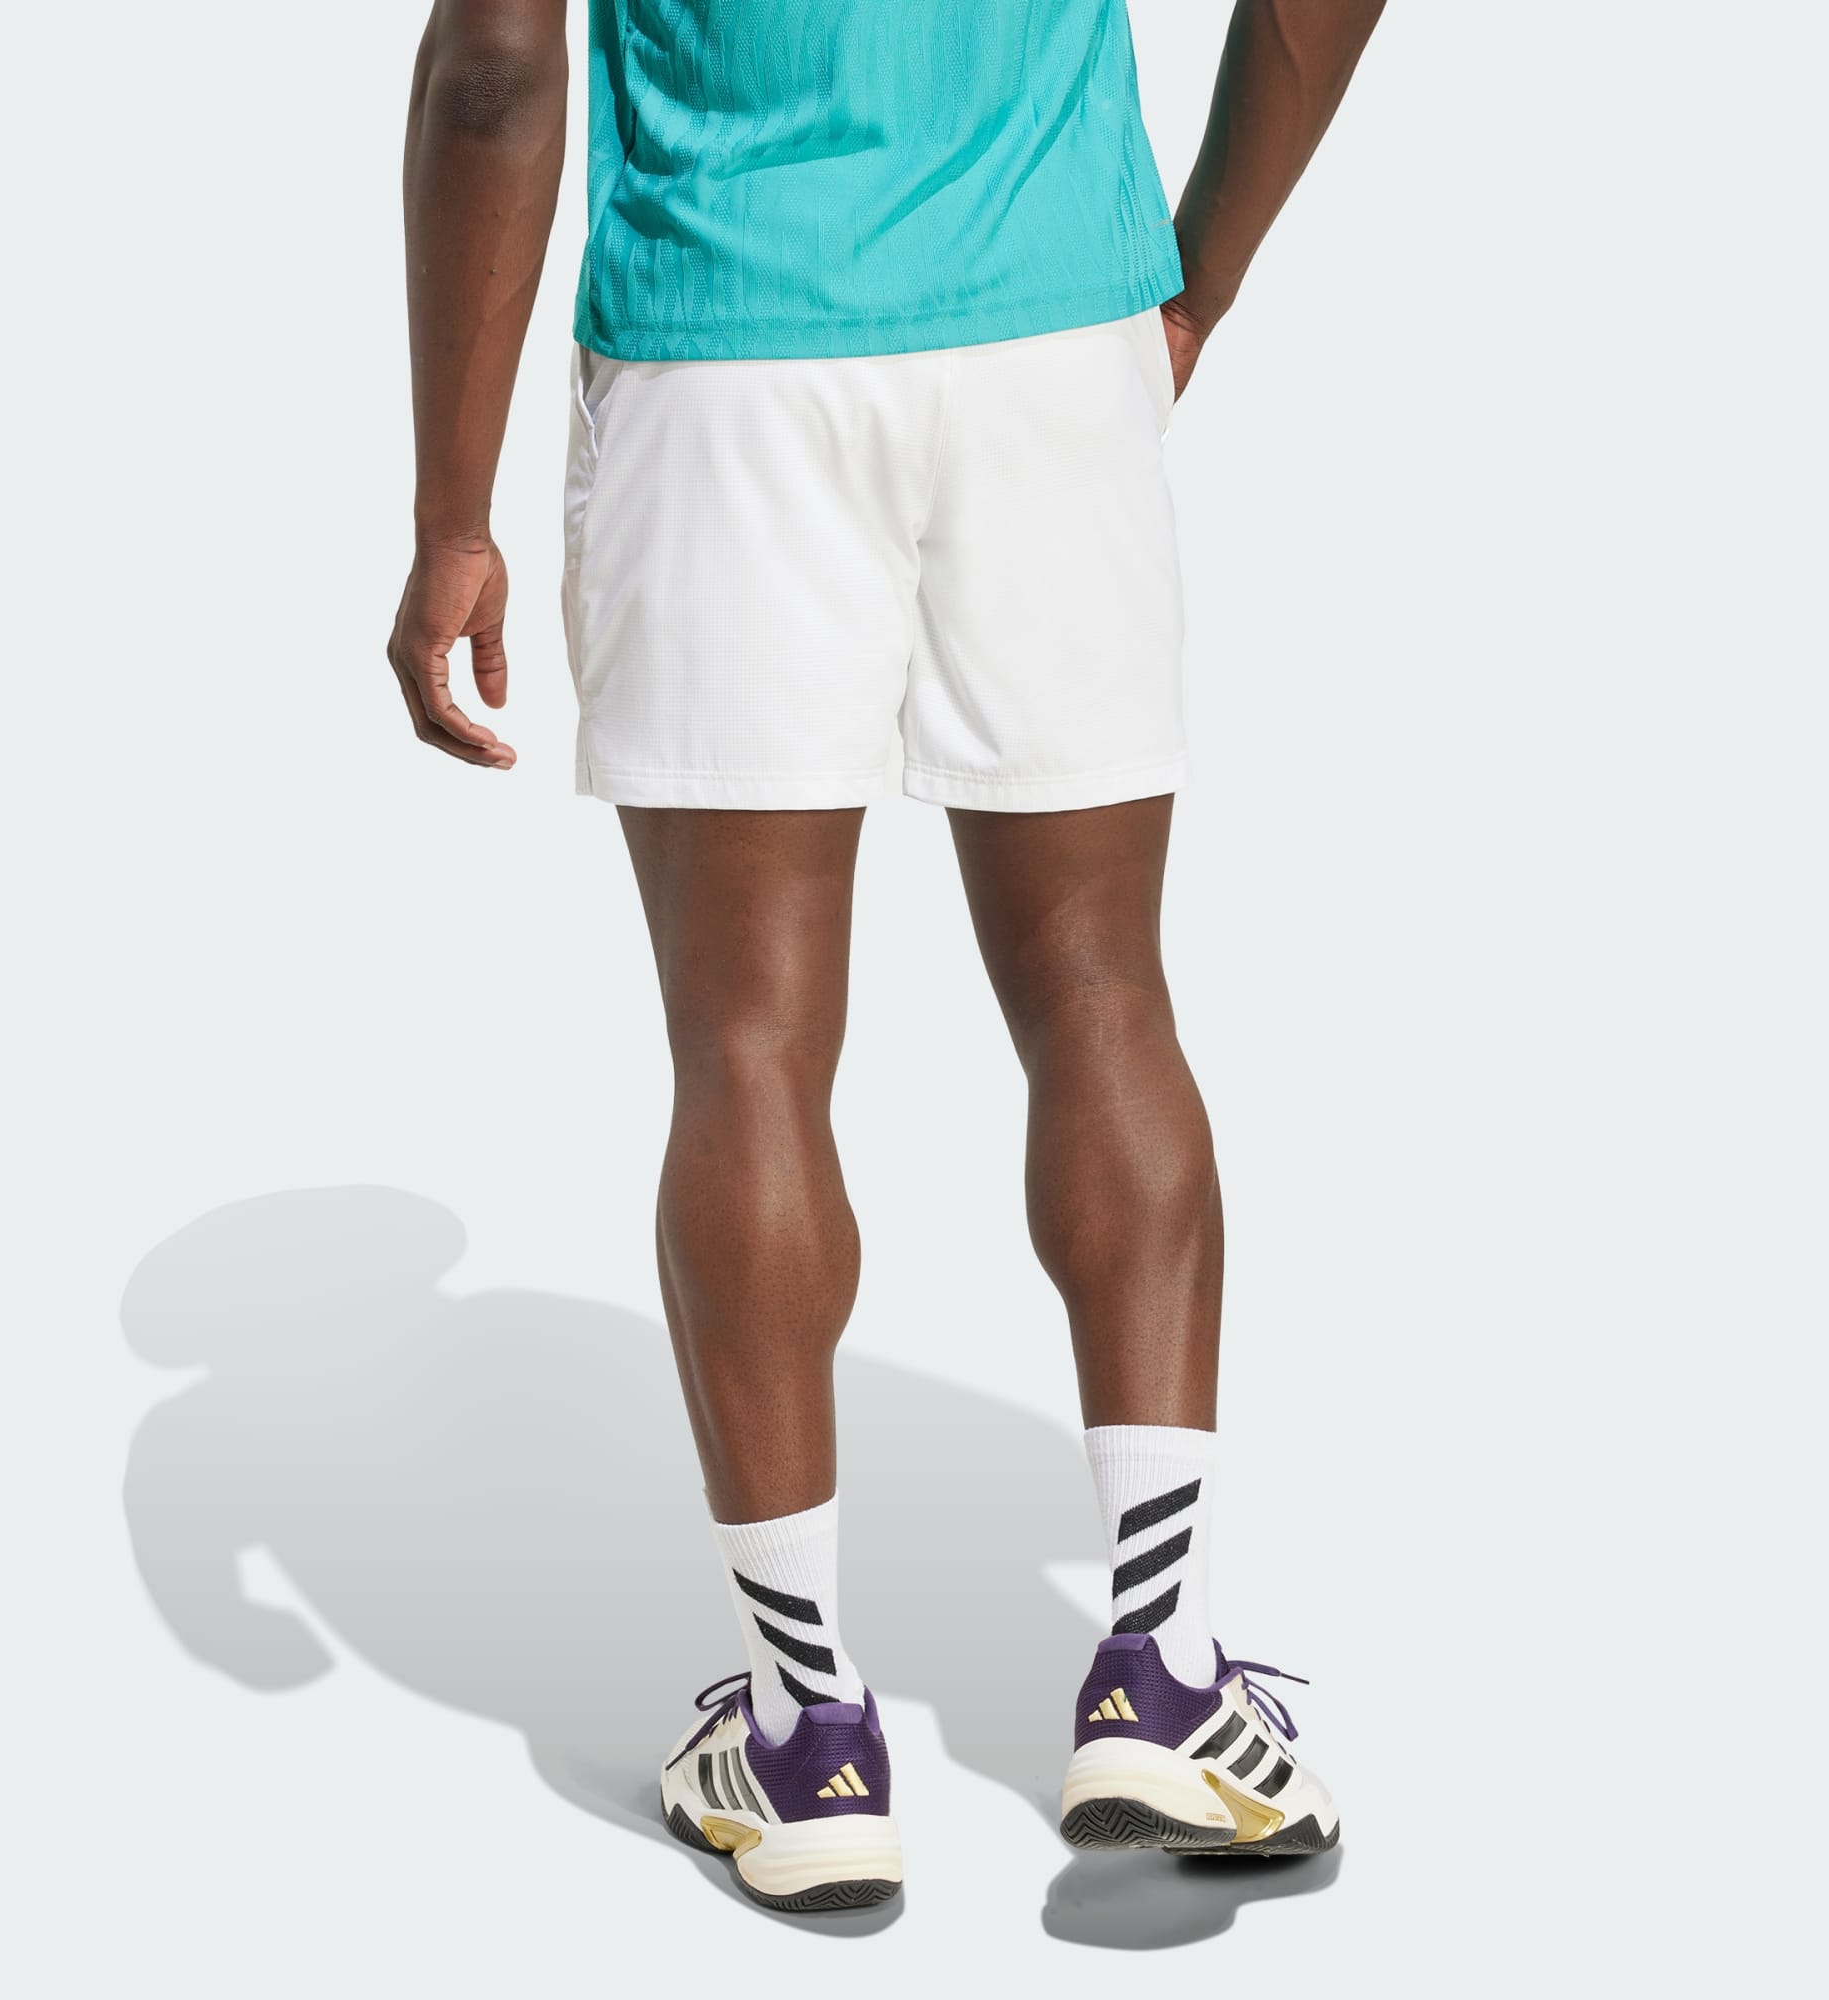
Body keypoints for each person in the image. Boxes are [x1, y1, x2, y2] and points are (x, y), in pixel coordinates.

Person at [387, 0, 1386, 1913]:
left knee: (748, 1045)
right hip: (1051, 333)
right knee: (1100, 990)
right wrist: (1202, 277)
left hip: (724, 354)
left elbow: (497, 68)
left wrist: (452, 512)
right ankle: (1162, 1677)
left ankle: (806, 1739)